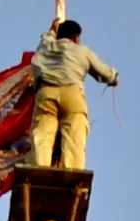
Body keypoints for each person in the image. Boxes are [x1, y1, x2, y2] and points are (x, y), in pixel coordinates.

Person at [27, 20, 118, 170]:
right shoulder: (82, 51)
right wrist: (114, 78)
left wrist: (51, 31)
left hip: (46, 93)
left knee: (43, 132)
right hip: (72, 94)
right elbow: (106, 73)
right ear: (76, 38)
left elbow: (45, 39)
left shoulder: (46, 47)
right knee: (74, 134)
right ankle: (73, 170)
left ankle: (39, 167)